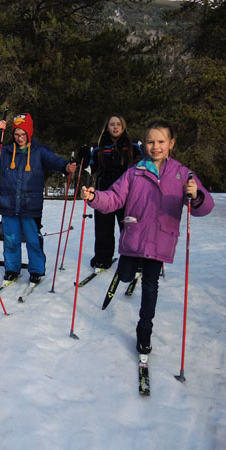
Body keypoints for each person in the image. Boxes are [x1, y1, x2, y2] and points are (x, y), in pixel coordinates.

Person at [81, 119, 214, 354]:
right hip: (133, 238)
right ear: (145, 144)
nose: (156, 146)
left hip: (161, 242)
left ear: (171, 143)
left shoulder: (183, 174)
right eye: (151, 141)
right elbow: (114, 198)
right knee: (125, 275)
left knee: (150, 287)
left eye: (161, 141)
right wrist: (95, 198)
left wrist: (196, 196)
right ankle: (124, 272)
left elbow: (205, 206)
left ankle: (144, 330)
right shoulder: (134, 172)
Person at [0, 113, 76, 284]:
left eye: (23, 134)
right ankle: (12, 269)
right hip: (9, 204)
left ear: (29, 134)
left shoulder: (39, 152)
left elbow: (54, 160)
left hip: (30, 205)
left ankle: (36, 270)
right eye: (17, 134)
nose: (20, 138)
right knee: (11, 239)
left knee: (33, 239)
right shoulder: (5, 152)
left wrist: (65, 166)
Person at [78, 114, 143, 269]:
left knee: (129, 228)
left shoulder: (133, 146)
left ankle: (135, 259)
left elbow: (143, 165)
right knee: (103, 229)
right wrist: (84, 159)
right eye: (112, 124)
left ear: (123, 127)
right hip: (104, 192)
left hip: (127, 193)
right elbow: (90, 168)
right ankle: (102, 257)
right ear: (107, 127)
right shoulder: (100, 147)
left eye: (118, 124)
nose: (115, 127)